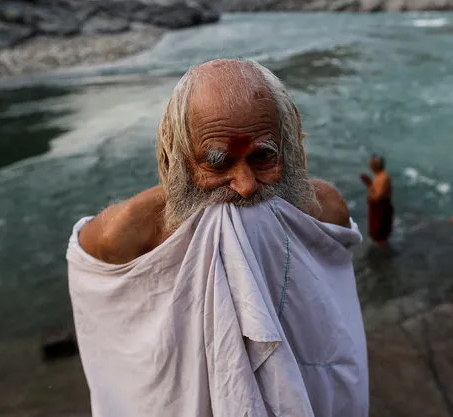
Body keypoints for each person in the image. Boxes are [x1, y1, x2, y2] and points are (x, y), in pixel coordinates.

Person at [66, 59, 368, 417]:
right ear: (174, 159)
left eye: (263, 157)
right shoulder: (130, 233)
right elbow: (98, 299)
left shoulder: (320, 210)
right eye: (218, 163)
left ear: (289, 148)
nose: (245, 185)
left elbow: (334, 329)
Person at [360, 154, 393, 246]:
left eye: (372, 164)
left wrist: (371, 197)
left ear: (377, 165)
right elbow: (374, 190)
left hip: (381, 208)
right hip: (375, 206)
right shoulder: (377, 176)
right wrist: (368, 182)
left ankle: (382, 251)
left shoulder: (384, 177)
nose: (370, 166)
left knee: (380, 231)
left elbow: (379, 196)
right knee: (375, 232)